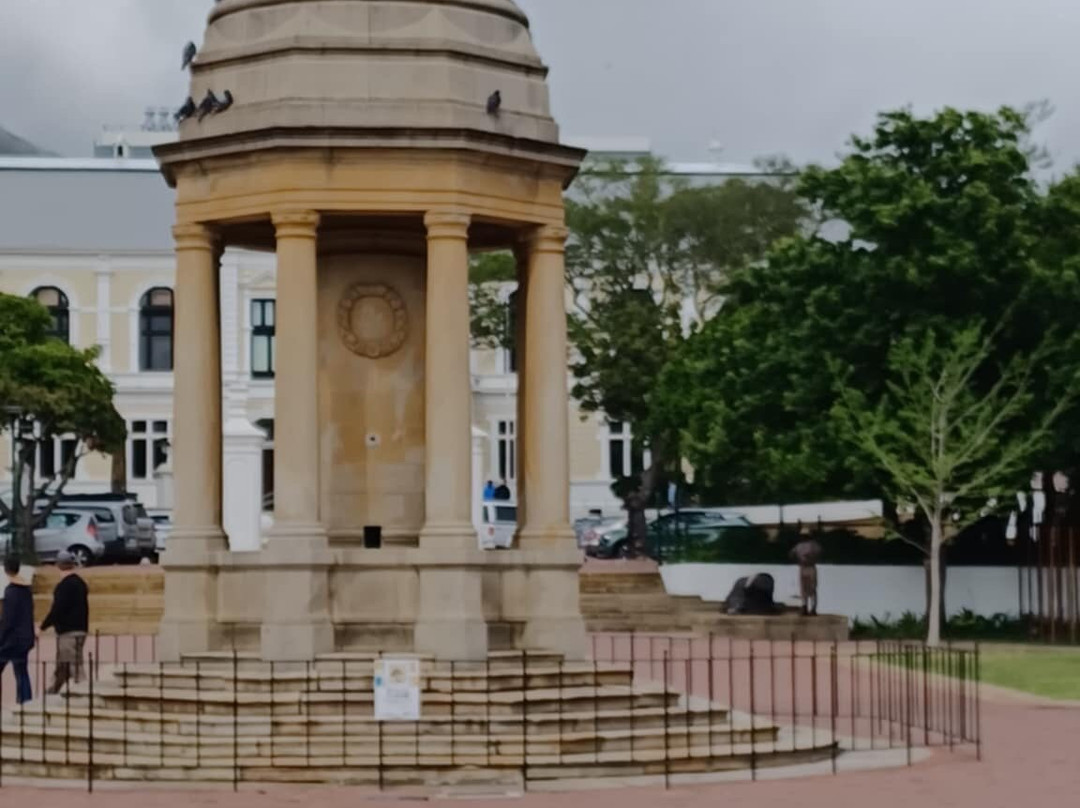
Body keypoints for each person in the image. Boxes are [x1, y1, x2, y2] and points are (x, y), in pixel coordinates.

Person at [41, 550, 89, 694]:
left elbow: (57, 610)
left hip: (68, 631)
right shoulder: (80, 583)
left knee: (74, 664)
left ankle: (86, 692)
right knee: (63, 664)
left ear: (59, 565)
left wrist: (43, 626)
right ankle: (53, 690)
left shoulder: (63, 586)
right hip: (81, 628)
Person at [0, 556, 36, 704]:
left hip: (11, 640)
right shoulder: (26, 590)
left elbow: (8, 620)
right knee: (22, 672)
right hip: (25, 637)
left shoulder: (11, 591)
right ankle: (25, 701)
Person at [790, 534, 823, 616]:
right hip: (808, 567)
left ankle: (809, 608)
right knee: (808, 588)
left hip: (806, 567)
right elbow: (821, 552)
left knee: (809, 588)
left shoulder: (804, 545)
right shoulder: (812, 545)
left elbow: (791, 554)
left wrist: (799, 559)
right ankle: (809, 608)